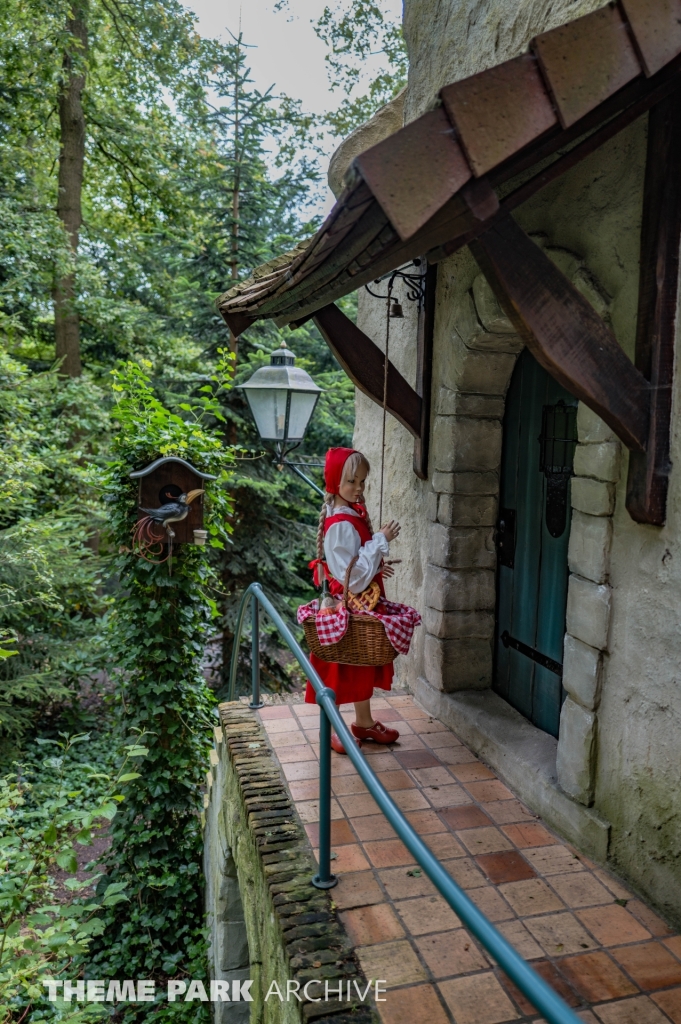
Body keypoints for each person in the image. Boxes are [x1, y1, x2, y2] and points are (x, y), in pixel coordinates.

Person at [304, 446, 402, 754]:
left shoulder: (349, 514)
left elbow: (355, 565)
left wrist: (375, 564)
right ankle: (333, 727)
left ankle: (364, 722)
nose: (358, 489)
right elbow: (354, 578)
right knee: (340, 666)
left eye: (362, 481)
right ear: (334, 483)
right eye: (351, 482)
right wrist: (381, 541)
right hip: (349, 607)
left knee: (361, 663)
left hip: (363, 604)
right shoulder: (341, 525)